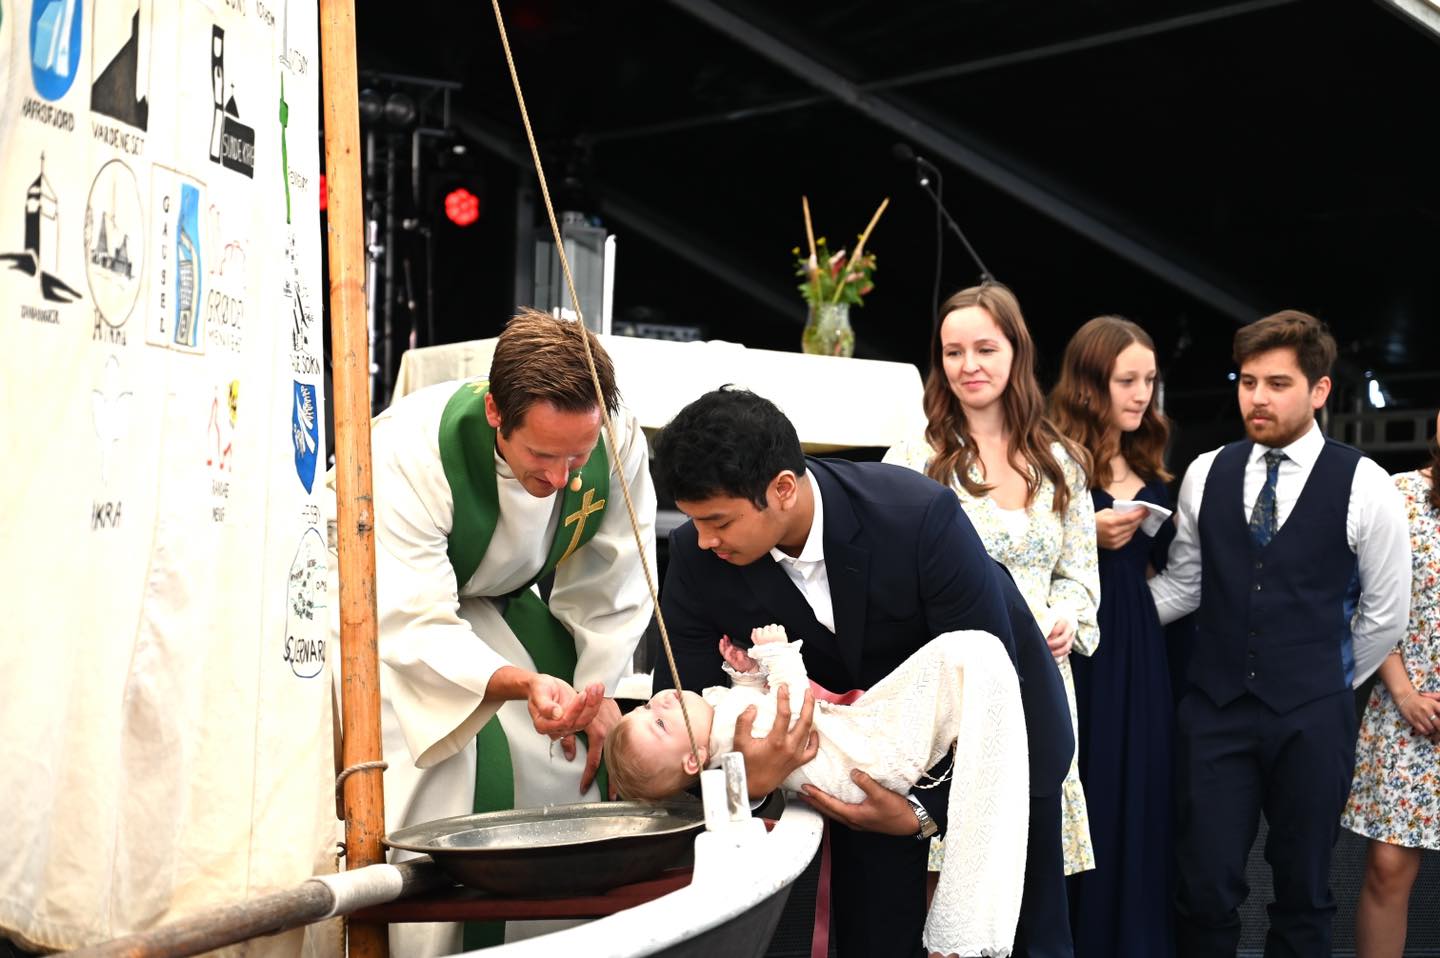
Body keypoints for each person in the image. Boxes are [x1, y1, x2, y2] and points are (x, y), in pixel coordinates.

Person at [651, 386, 1074, 958]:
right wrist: (753, 775)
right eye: (695, 520)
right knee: (874, 937)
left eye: (719, 520)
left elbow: (996, 684)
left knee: (1019, 939)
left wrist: (922, 812)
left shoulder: (918, 517)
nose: (704, 539)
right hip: (851, 775)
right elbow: (681, 707)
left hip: (1005, 741)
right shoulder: (698, 560)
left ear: (781, 489)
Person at [325, 309, 657, 955]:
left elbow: (616, 575)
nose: (562, 479)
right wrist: (520, 683)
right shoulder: (405, 451)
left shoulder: (613, 433)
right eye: (542, 455)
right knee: (447, 768)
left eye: (577, 457)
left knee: (574, 760)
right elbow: (409, 616)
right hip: (379, 619)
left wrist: (590, 693)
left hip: (495, 607)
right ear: (497, 414)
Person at [1148, 310, 1411, 957]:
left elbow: (1384, 616)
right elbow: (1185, 586)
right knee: (1203, 889)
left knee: (1304, 893)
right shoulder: (1207, 471)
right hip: (1213, 714)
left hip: (1313, 719)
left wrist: (1319, 679)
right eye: (1247, 381)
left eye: (1277, 383)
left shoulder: (1367, 485)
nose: (1257, 398)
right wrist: (1096, 624)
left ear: (1320, 390)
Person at [885, 281, 1098, 957]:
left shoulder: (1059, 462)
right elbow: (891, 585)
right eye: (953, 351)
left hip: (1043, 691)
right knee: (949, 879)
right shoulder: (915, 458)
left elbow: (1081, 577)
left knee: (1032, 886)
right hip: (957, 697)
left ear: (1016, 352)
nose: (969, 364)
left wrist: (1065, 613)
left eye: (984, 347)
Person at [609, 624, 1030, 957]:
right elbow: (792, 711)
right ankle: (963, 930)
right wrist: (779, 656)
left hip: (857, 745)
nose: (659, 705)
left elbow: (758, 703)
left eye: (646, 708)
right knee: (971, 654)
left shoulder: (719, 725)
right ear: (693, 760)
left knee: (969, 659)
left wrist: (746, 675)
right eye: (659, 724)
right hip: (867, 757)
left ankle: (963, 928)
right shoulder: (728, 736)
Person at [1049, 316, 1176, 957]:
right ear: (1089, 383)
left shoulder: (1148, 456)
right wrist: (1082, 533)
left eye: (1149, 381)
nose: (1141, 395)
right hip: (1078, 644)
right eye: (1127, 380)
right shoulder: (1047, 457)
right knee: (1084, 787)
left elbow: (1172, 572)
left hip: (1140, 641)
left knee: (1140, 790)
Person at [1341, 409, 1440, 958]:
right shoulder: (1398, 495)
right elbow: (1364, 600)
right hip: (1409, 701)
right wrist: (1403, 692)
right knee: (1387, 867)